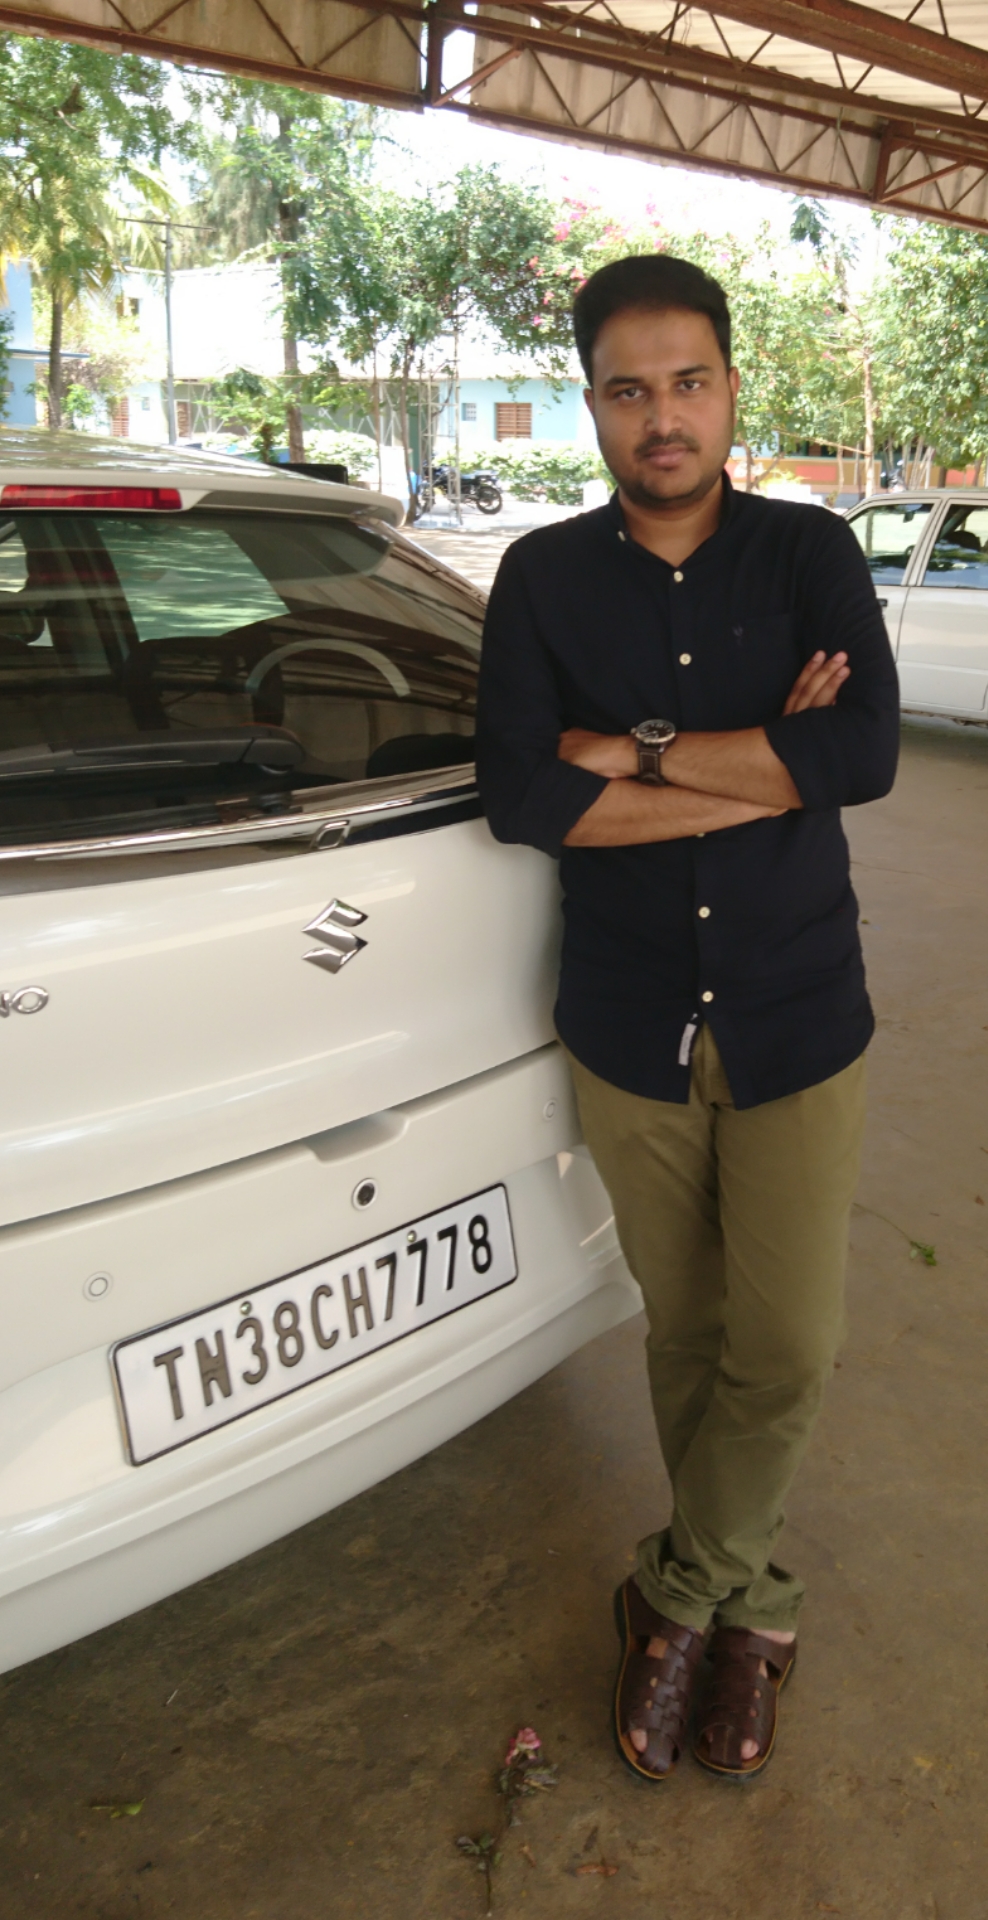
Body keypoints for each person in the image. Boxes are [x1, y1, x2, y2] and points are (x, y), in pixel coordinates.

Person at [476, 254, 899, 1782]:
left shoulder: (807, 552)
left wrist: (631, 753)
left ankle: (675, 1598)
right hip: (629, 1019)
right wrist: (756, 759)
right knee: (692, 1332)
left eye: (689, 382)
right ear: (592, 404)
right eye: (629, 388)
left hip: (798, 1013)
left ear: (731, 388)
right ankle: (754, 1608)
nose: (663, 416)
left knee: (787, 1342)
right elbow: (526, 796)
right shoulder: (542, 578)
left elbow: (860, 757)